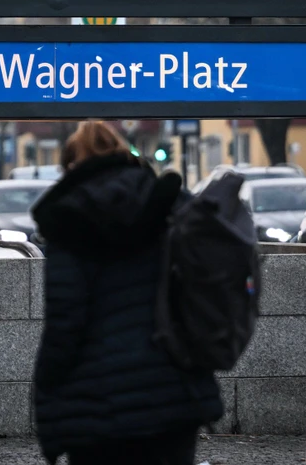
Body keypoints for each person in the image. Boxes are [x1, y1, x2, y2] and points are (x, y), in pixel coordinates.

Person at [31, 121, 222, 465]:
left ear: (72, 165)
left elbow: (65, 324)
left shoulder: (69, 220)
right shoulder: (171, 203)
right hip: (174, 394)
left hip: (98, 406)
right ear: (124, 153)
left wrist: (47, 399)